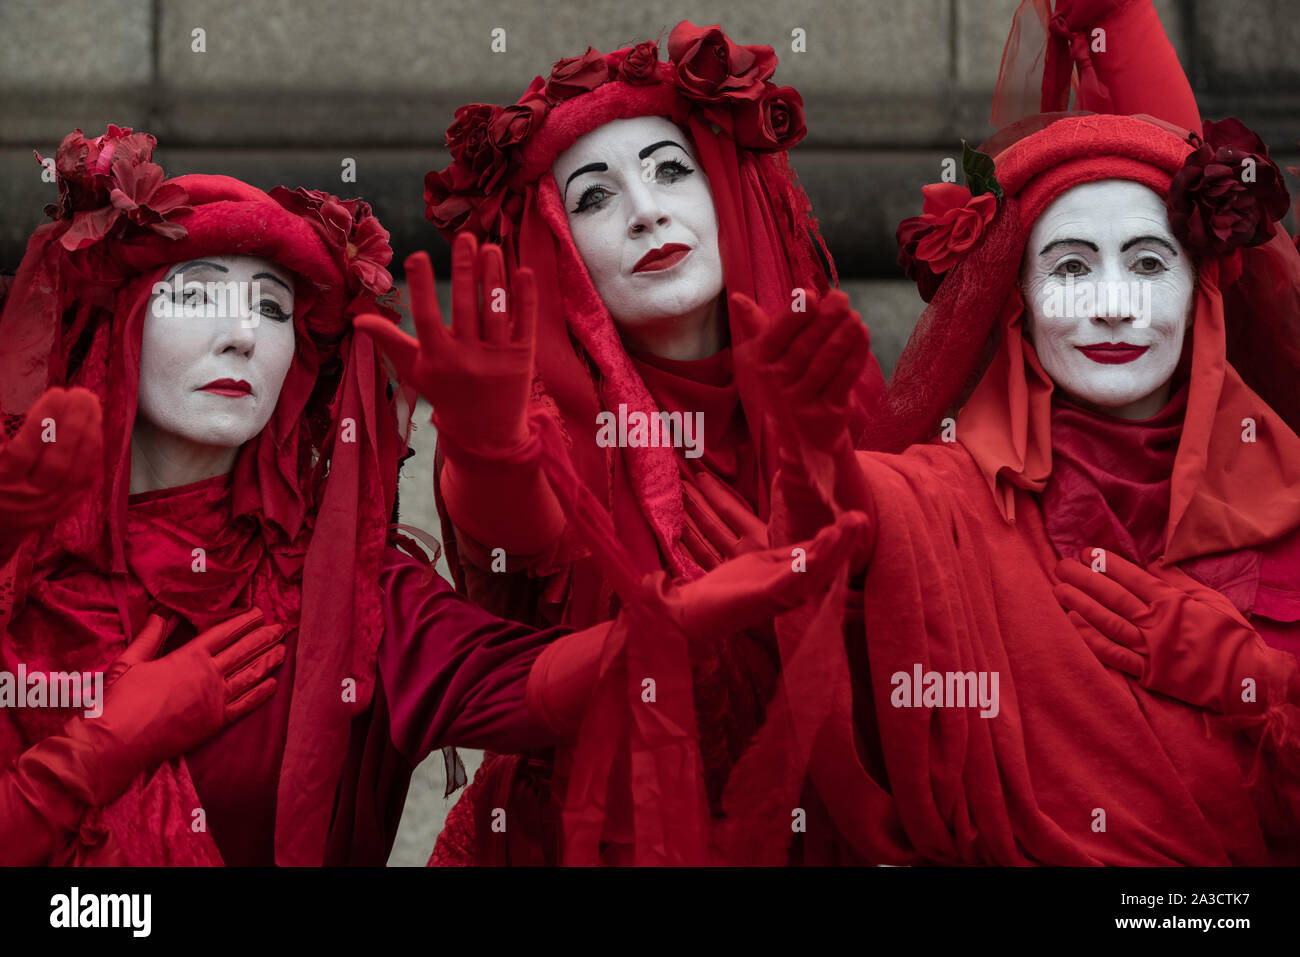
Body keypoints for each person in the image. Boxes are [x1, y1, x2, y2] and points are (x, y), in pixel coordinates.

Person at [358, 20, 884, 864]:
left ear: (724, 189)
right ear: (555, 247)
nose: (647, 212)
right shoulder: (554, 422)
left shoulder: (831, 382)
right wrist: (486, 448)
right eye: (594, 196)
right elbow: (521, 528)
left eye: (672, 170)